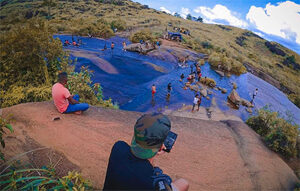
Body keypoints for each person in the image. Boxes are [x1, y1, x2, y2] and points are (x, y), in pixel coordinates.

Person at [103, 113, 189, 191]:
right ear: (161, 148)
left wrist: (155, 149)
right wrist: (155, 151)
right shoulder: (153, 184)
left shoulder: (118, 147)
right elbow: (148, 169)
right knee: (184, 183)